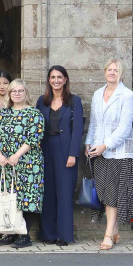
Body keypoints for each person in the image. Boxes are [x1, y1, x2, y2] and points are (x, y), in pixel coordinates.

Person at [86, 58, 133, 251]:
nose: (112, 73)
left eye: (116, 70)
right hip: (99, 150)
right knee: (104, 192)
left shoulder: (127, 95)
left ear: (121, 74)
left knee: (113, 193)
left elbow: (124, 128)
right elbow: (94, 122)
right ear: (105, 72)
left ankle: (108, 235)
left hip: (119, 152)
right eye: (109, 69)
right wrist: (89, 143)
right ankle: (114, 230)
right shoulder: (97, 94)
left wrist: (105, 145)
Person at [0, 78, 44, 249]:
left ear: (26, 92)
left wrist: (17, 155)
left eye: (21, 90)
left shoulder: (34, 114)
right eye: (14, 91)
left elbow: (34, 137)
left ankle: (24, 235)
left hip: (27, 163)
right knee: (8, 196)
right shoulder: (3, 113)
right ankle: (9, 232)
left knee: (25, 198)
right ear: (9, 94)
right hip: (3, 163)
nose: (17, 94)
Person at [35, 65, 84, 247]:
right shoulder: (42, 101)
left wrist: (73, 154)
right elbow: (36, 127)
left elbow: (77, 130)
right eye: (53, 77)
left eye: (59, 77)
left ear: (65, 80)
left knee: (64, 193)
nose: (56, 80)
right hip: (45, 150)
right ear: (49, 80)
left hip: (65, 151)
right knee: (47, 192)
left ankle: (63, 235)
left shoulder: (74, 101)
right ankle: (48, 234)